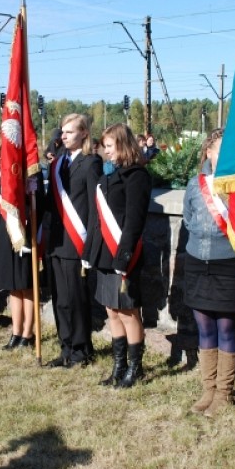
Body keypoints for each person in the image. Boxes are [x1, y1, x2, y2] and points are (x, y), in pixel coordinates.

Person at [182, 128, 235, 415]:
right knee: (205, 326)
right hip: (197, 260)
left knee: (226, 327)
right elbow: (187, 218)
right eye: (219, 150)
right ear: (208, 152)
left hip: (228, 262)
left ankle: (224, 392)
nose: (223, 156)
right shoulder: (195, 184)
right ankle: (208, 389)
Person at [85, 123, 152, 388]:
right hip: (105, 255)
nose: (106, 152)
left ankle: (135, 368)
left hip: (124, 254)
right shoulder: (108, 176)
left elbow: (134, 220)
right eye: (104, 147)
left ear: (123, 145)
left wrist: (123, 257)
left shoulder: (137, 176)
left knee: (127, 311)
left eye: (110, 146)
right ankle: (119, 366)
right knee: (111, 311)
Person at [45, 114, 102, 368]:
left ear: (84, 135)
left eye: (69, 132)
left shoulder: (91, 163)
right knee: (60, 299)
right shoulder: (57, 164)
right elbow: (50, 204)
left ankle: (81, 350)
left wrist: (89, 247)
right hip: (56, 241)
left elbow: (94, 208)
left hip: (76, 242)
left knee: (76, 299)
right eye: (62, 132)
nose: (63, 136)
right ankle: (65, 346)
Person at [0, 132, 42, 350]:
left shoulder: (29, 173)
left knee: (26, 286)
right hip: (5, 235)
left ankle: (28, 333)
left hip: (25, 232)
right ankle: (16, 331)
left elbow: (39, 205)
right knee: (13, 286)